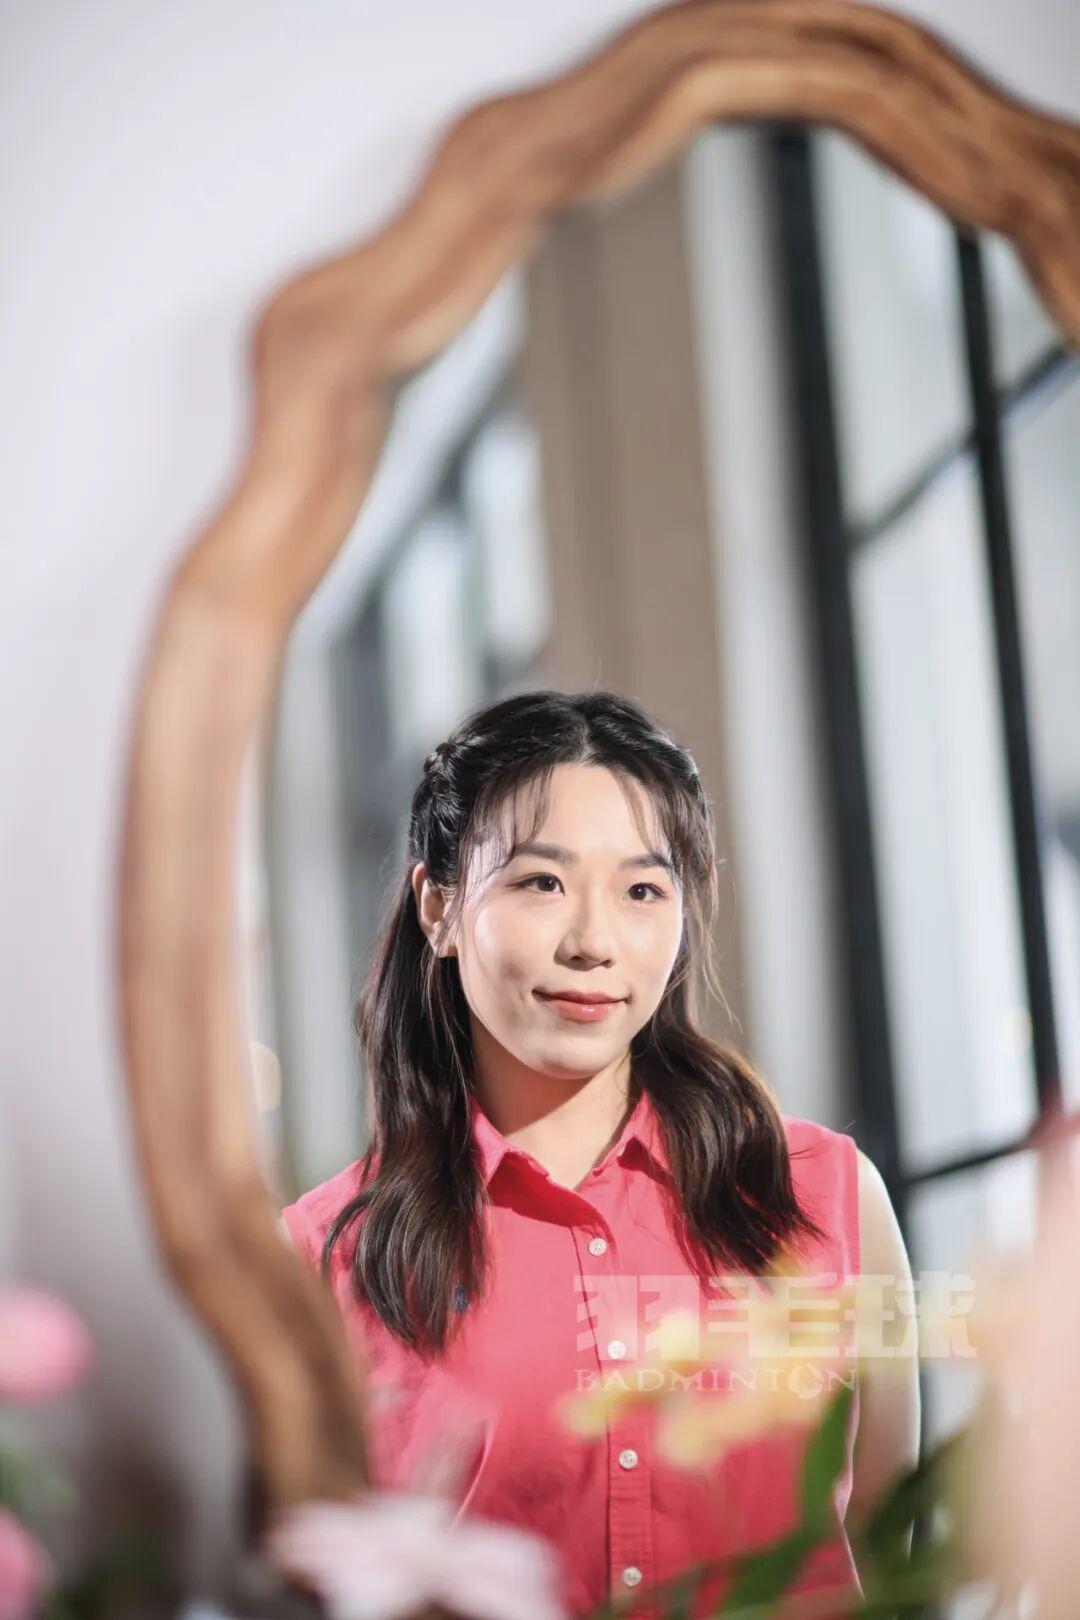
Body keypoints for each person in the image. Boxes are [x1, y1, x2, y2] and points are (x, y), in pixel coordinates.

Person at [279, 688, 920, 1619]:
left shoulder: (830, 1197)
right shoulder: (323, 1255)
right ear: (438, 909)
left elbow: (887, 1545)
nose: (593, 942)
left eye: (642, 890)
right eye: (541, 883)